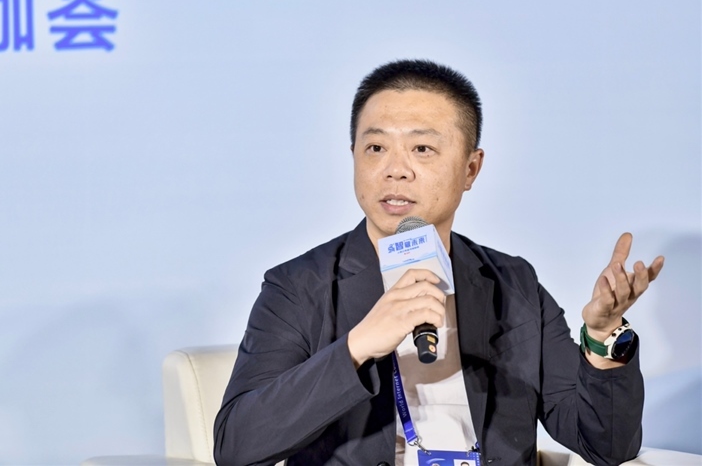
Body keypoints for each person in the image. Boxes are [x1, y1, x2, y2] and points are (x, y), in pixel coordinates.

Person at [213, 60, 664, 466]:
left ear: (470, 169)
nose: (395, 170)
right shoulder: (299, 286)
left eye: (422, 149)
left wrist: (604, 338)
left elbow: (607, 447)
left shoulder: (514, 284)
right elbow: (237, 444)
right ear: (353, 156)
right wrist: (357, 345)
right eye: (376, 148)